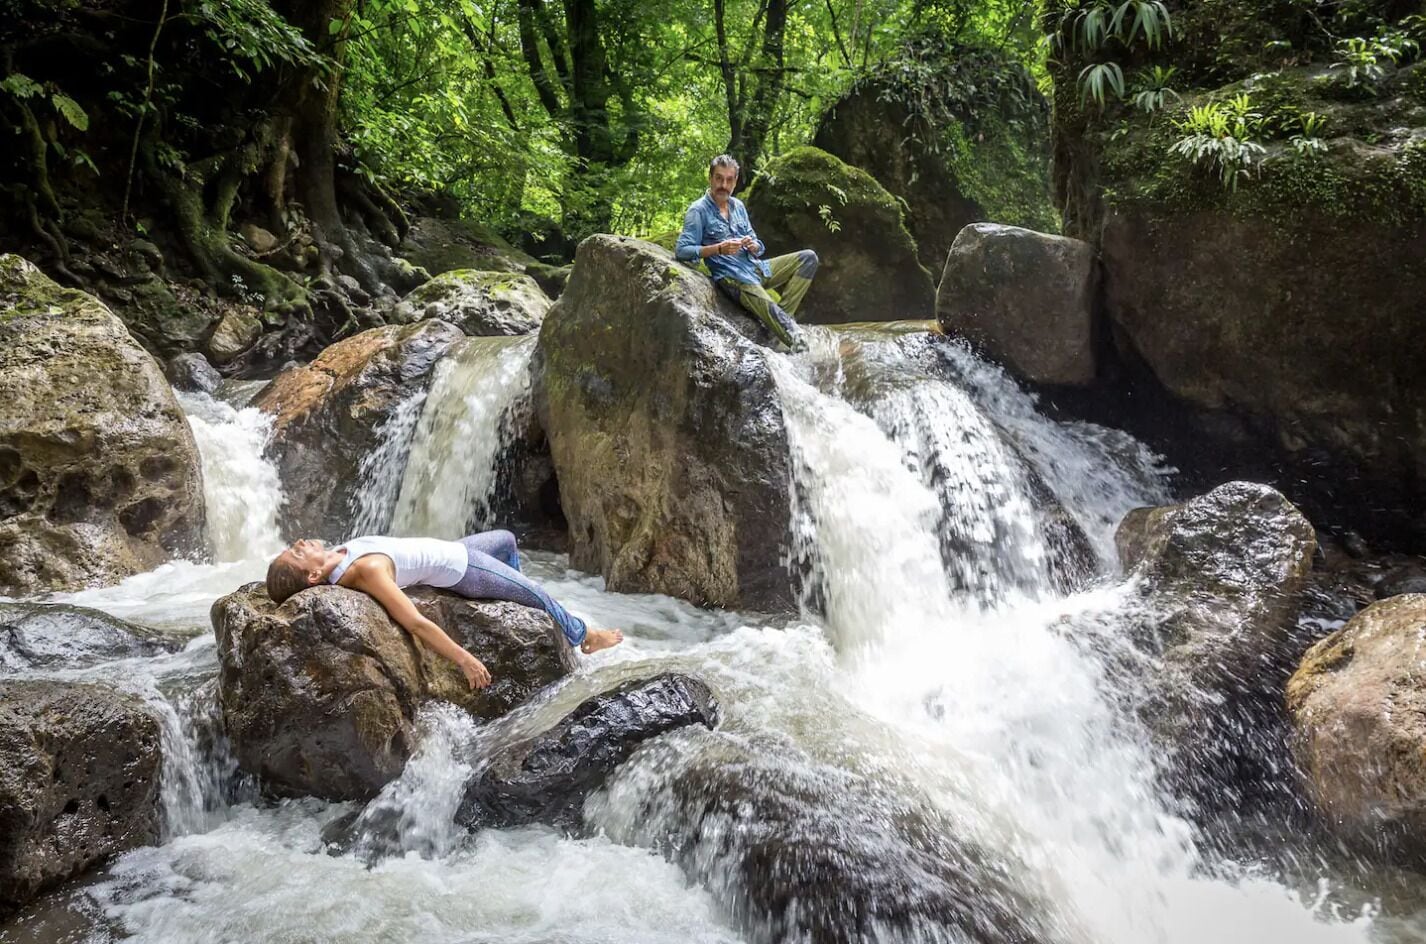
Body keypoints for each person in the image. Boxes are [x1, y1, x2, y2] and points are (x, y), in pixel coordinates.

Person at [265, 530, 623, 690]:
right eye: (297, 553)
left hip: (452, 550)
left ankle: (513, 592)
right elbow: (415, 623)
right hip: (464, 570)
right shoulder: (366, 572)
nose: (298, 543)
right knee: (539, 595)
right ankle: (584, 635)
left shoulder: (338, 556)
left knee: (507, 540)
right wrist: (463, 659)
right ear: (313, 575)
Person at [675, 153, 819, 351]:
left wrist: (754, 246)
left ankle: (777, 331)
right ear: (710, 178)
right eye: (719, 178)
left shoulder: (738, 206)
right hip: (734, 278)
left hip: (757, 268)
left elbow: (758, 245)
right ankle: (794, 339)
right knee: (778, 316)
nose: (723, 185)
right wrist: (719, 248)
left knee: (808, 259)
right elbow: (682, 250)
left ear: (735, 182)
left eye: (729, 180)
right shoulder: (698, 211)